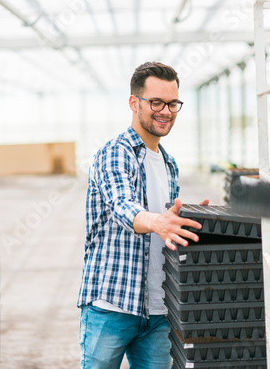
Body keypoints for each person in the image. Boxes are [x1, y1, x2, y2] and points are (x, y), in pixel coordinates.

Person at [77, 61, 209, 369]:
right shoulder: (114, 153)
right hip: (111, 306)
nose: (166, 111)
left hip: (159, 310)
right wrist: (157, 221)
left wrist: (192, 220)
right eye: (156, 102)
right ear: (134, 102)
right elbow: (123, 205)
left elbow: (166, 224)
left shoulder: (169, 163)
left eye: (173, 103)